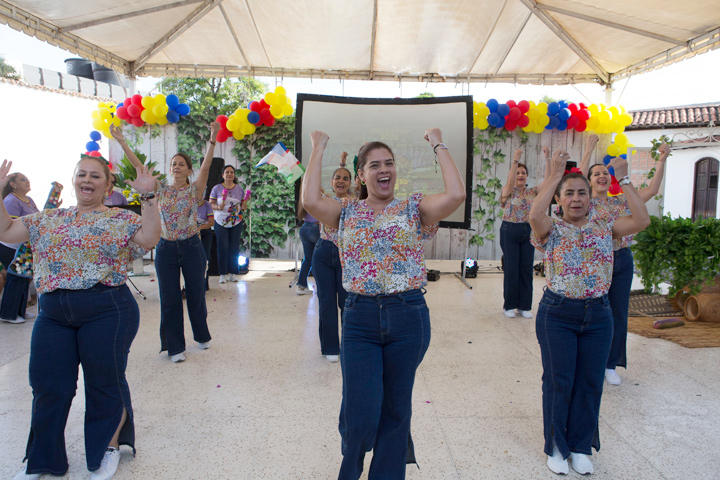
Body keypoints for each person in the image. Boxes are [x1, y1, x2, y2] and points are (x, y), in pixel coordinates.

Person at [302, 129, 465, 479]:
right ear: (362, 175)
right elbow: (312, 201)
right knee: (361, 410)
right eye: (374, 165)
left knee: (395, 410)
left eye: (388, 163)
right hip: (360, 318)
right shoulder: (346, 212)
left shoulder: (413, 208)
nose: (383, 169)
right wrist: (318, 149)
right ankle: (351, 469)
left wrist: (439, 143)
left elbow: (456, 194)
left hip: (408, 317)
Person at [2, 156, 160, 480]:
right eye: (81, 174)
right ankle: (41, 460)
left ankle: (108, 448)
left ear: (107, 184)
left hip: (107, 310)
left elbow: (150, 238)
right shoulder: (48, 218)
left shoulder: (119, 218)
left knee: (104, 382)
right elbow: (6, 230)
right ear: (73, 179)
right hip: (54, 313)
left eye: (95, 176)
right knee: (48, 386)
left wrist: (148, 197)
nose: (87, 180)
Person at [528, 150, 650, 475]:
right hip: (557, 314)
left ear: (590, 197)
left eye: (582, 192)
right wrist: (555, 174)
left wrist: (624, 179)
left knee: (590, 382)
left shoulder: (605, 227)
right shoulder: (550, 229)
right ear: (559, 200)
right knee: (559, 381)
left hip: (599, 315)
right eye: (569, 193)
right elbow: (534, 216)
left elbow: (641, 220)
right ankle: (556, 446)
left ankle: (581, 447)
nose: (577, 198)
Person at [111, 123, 219, 363]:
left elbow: (207, 166)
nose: (176, 167)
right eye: (173, 164)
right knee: (169, 298)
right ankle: (174, 347)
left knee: (196, 294)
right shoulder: (160, 189)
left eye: (181, 164)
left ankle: (201, 335)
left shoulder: (194, 190)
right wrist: (121, 141)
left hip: (192, 247)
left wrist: (212, 140)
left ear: (189, 170)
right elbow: (140, 167)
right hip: (166, 249)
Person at [579, 139, 669, 386]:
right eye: (596, 173)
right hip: (596, 262)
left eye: (605, 173)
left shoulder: (620, 201)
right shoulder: (584, 203)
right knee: (594, 310)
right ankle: (590, 361)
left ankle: (610, 364)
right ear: (588, 181)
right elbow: (576, 176)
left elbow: (651, 190)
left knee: (618, 313)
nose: (602, 176)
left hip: (622, 261)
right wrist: (588, 150)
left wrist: (661, 161)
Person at [498, 148, 550, 318]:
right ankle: (509, 305)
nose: (520, 175)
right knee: (512, 269)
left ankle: (524, 306)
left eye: (524, 173)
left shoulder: (532, 192)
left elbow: (548, 181)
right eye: (518, 172)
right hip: (509, 231)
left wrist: (547, 158)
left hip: (528, 232)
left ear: (527, 176)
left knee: (526, 269)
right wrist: (515, 159)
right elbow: (510, 180)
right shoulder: (508, 191)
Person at [311, 164, 352, 362]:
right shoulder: (323, 201)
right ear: (332, 182)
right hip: (324, 253)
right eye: (337, 177)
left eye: (345, 178)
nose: (341, 181)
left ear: (351, 183)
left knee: (347, 302)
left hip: (347, 256)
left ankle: (349, 345)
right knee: (326, 302)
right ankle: (330, 348)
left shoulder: (356, 203)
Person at [0, 172, 39, 324]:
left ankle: (20, 311)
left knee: (24, 277)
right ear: (13, 184)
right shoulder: (11, 200)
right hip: (10, 245)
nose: (27, 181)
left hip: (24, 245)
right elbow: (8, 223)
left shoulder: (28, 200)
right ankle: (8, 313)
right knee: (16, 277)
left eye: (27, 178)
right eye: (23, 179)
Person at [209, 165, 247, 284]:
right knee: (223, 247)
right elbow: (210, 204)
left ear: (234, 175)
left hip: (236, 221)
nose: (229, 174)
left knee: (234, 247)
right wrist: (218, 207)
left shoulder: (240, 189)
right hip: (220, 221)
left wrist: (245, 203)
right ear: (223, 175)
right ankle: (223, 274)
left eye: (231, 172)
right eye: (227, 172)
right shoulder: (217, 188)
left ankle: (233, 273)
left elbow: (243, 207)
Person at [296, 185, 320, 295]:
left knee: (308, 259)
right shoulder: (316, 196)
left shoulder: (304, 196)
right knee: (319, 260)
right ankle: (321, 286)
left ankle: (301, 285)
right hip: (315, 228)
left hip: (304, 228)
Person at [197, 198, 215, 291]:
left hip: (205, 233)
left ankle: (204, 283)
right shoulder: (188, 203)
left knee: (206, 256)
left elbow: (212, 222)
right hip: (192, 234)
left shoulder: (207, 205)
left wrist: (200, 227)